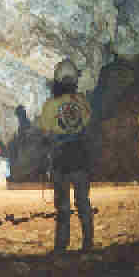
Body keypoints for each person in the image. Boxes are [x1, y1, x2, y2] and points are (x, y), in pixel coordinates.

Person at [37, 59, 94, 253]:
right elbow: (87, 124)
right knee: (83, 202)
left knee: (63, 205)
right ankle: (88, 243)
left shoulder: (51, 105)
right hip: (80, 158)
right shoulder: (82, 102)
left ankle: (61, 246)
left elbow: (45, 133)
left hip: (61, 160)